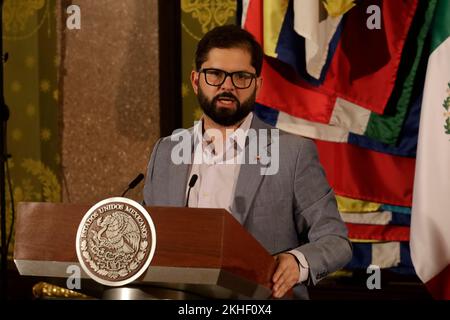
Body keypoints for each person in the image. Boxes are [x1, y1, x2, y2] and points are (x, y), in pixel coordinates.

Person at [143, 25, 352, 299]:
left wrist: (297, 262)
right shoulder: (166, 151)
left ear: (257, 84)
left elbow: (336, 241)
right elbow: (146, 236)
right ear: (196, 81)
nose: (227, 86)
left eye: (241, 76)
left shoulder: (292, 152)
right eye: (215, 74)